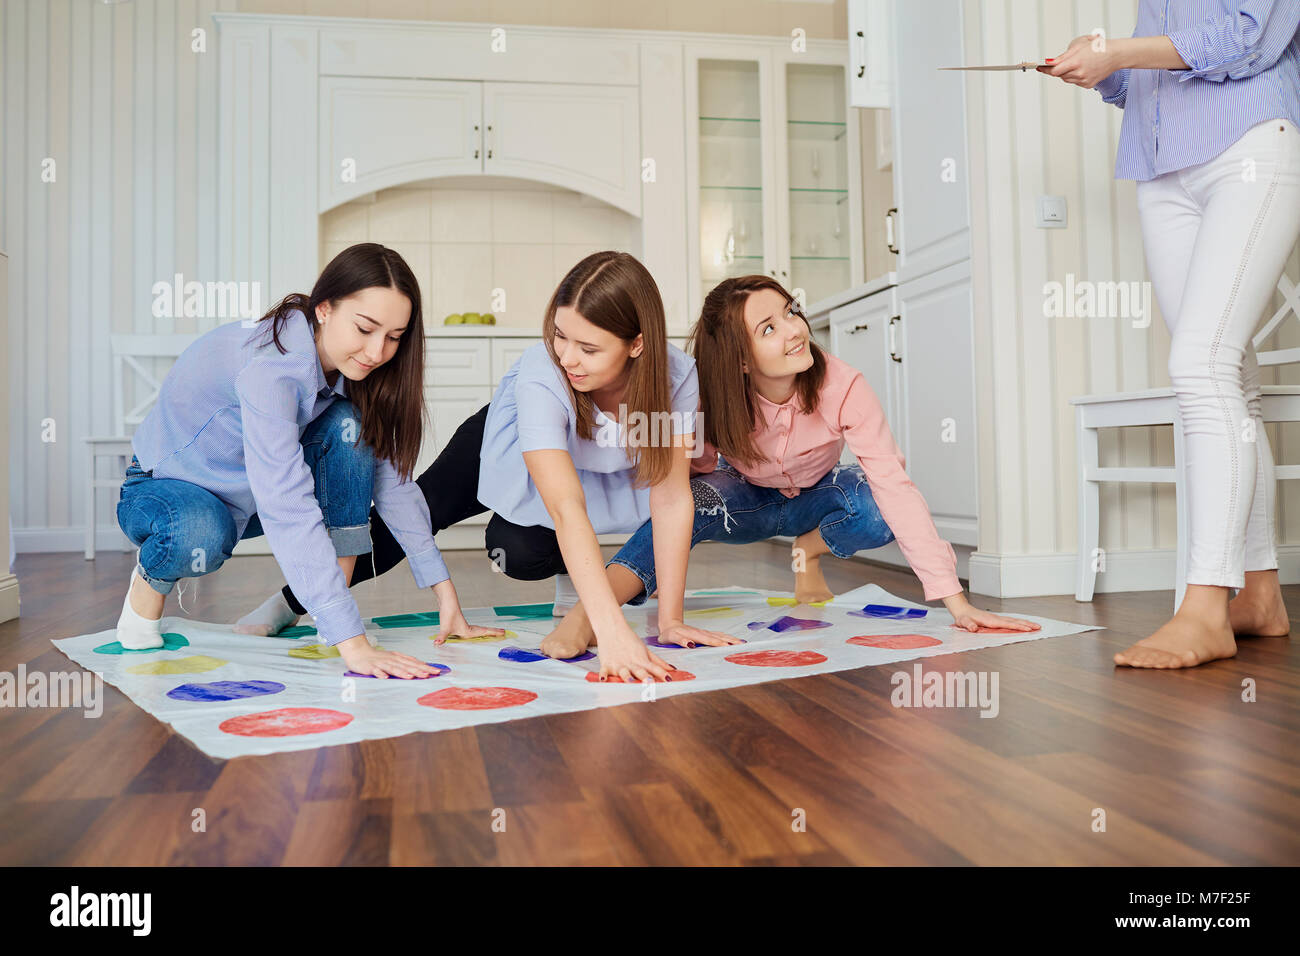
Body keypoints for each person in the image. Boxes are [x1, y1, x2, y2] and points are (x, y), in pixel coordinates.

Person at [245, 251, 736, 684]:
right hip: (509, 445)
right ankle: (292, 603)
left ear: (637, 345)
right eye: (560, 336)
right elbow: (565, 509)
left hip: (596, 468)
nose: (568, 358)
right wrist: (611, 632)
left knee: (517, 550)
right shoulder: (546, 372)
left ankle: (582, 588)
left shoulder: (675, 378)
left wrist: (669, 620)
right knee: (422, 511)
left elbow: (671, 497)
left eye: (589, 349)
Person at [1041, 1, 1300, 667]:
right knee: (1229, 378)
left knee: (1200, 365)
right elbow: (1153, 80)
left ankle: (1205, 606)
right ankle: (1260, 594)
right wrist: (1099, 71)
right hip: (1161, 173)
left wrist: (1119, 52)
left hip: (1248, 145)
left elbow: (1249, 38)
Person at [117, 243, 499, 679]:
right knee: (199, 529)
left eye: (393, 338)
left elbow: (392, 485)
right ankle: (150, 584)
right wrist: (355, 646)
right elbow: (287, 503)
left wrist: (446, 598)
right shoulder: (271, 368)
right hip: (169, 491)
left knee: (349, 427)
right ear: (324, 309)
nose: (377, 352)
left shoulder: (350, 371)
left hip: (251, 498)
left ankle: (329, 619)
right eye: (365, 328)